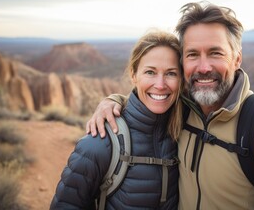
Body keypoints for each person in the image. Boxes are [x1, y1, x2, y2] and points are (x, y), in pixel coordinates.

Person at [86, 2, 254, 209]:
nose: (203, 67)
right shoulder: (182, 110)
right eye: (192, 55)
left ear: (237, 58)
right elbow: (150, 97)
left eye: (215, 53)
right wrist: (112, 102)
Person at [50, 30, 183, 209]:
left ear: (182, 78)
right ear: (134, 75)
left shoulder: (185, 130)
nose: (160, 84)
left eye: (171, 73)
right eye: (150, 72)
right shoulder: (99, 142)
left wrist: (114, 99)